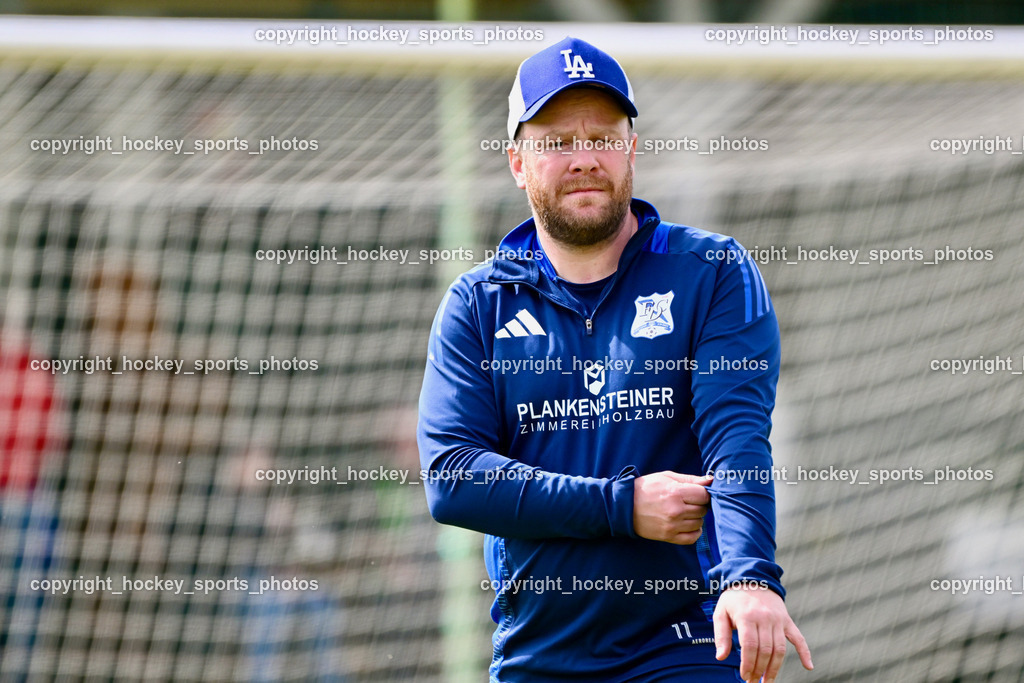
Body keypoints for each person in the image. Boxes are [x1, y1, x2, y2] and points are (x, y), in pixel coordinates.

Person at [417, 36, 813, 683]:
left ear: (631, 149)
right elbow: (454, 476)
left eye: (602, 136)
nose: (583, 158)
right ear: (518, 162)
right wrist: (622, 506)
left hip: (686, 638)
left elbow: (736, 443)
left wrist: (748, 578)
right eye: (557, 142)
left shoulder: (710, 271)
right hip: (540, 652)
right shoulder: (477, 304)